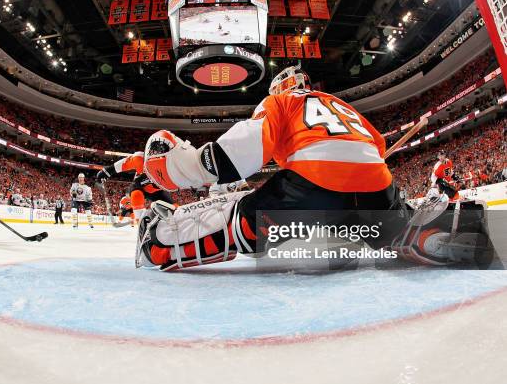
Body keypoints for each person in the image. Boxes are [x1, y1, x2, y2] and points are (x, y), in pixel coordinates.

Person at [137, 65, 492, 270]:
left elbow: (239, 153)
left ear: (280, 88)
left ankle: (159, 248)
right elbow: (376, 150)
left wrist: (186, 166)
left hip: (312, 183)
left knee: (245, 219)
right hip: (375, 183)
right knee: (390, 224)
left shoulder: (279, 102)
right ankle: (419, 234)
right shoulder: (342, 106)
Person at [96, 151, 173, 222]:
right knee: (136, 196)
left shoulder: (171, 166)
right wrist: (107, 171)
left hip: (158, 190)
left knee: (173, 209)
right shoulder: (139, 159)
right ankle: (142, 225)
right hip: (139, 186)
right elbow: (124, 163)